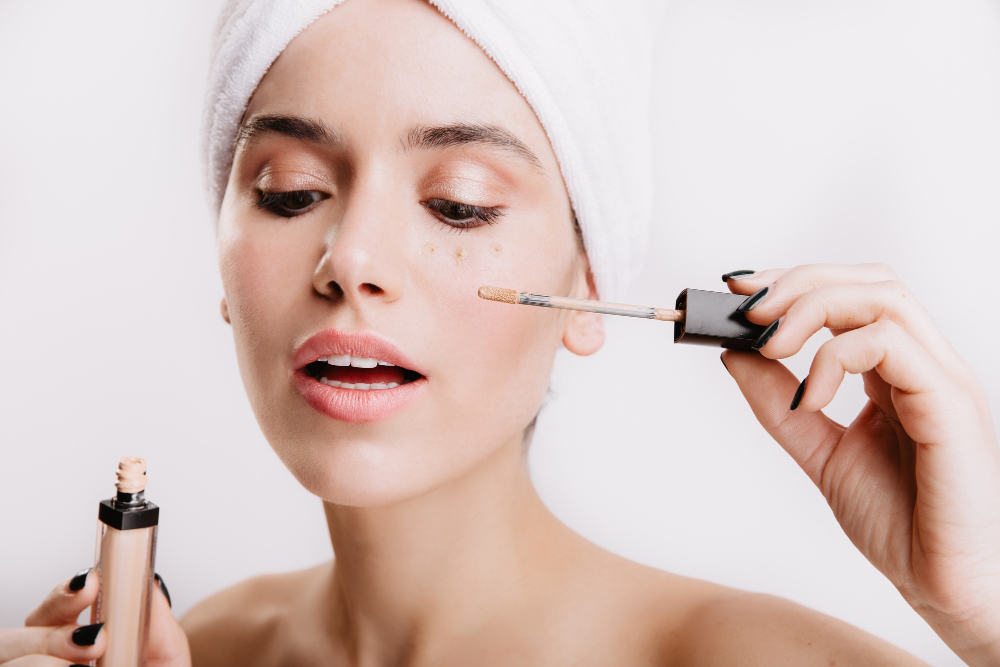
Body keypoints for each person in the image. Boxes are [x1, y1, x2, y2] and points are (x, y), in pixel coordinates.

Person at [3, 0, 999, 665]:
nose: (351, 259)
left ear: (588, 280)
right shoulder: (187, 648)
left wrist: (980, 610)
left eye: (461, 206)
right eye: (289, 191)